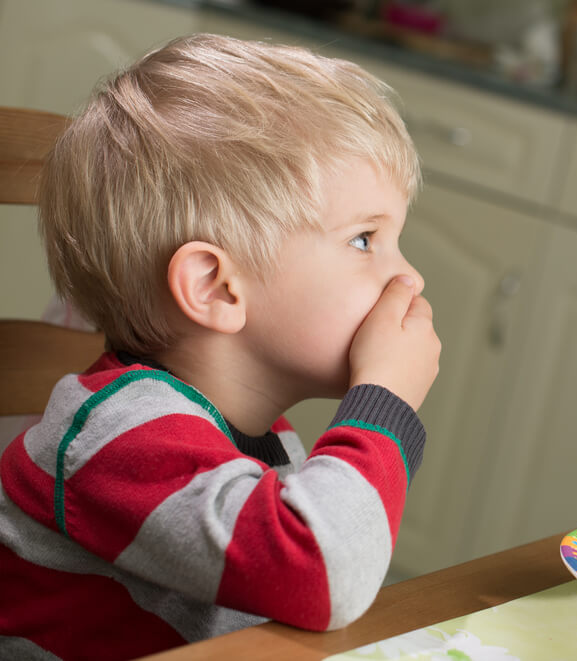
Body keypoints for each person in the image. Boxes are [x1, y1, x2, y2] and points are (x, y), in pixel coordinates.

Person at [0, 34, 441, 659]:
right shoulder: (120, 438)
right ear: (214, 287)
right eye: (365, 239)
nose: (409, 278)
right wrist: (384, 402)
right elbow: (324, 576)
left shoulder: (256, 432)